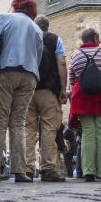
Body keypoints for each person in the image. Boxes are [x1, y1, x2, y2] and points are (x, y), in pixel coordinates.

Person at [0, 0, 42, 183]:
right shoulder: (36, 28)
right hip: (29, 75)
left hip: (5, 70)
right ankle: (20, 171)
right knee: (18, 122)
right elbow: (39, 55)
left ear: (15, 6)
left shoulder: (5, 18)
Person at [68, 28, 101, 182]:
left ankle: (88, 171)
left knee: (88, 134)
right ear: (96, 38)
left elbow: (72, 80)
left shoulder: (75, 55)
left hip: (83, 98)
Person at [24, 15, 68, 182]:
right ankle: (48, 168)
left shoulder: (27, 38)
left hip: (28, 89)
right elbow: (61, 63)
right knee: (49, 129)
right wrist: (63, 88)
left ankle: (27, 168)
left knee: (28, 130)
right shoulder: (54, 39)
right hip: (49, 91)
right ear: (47, 27)